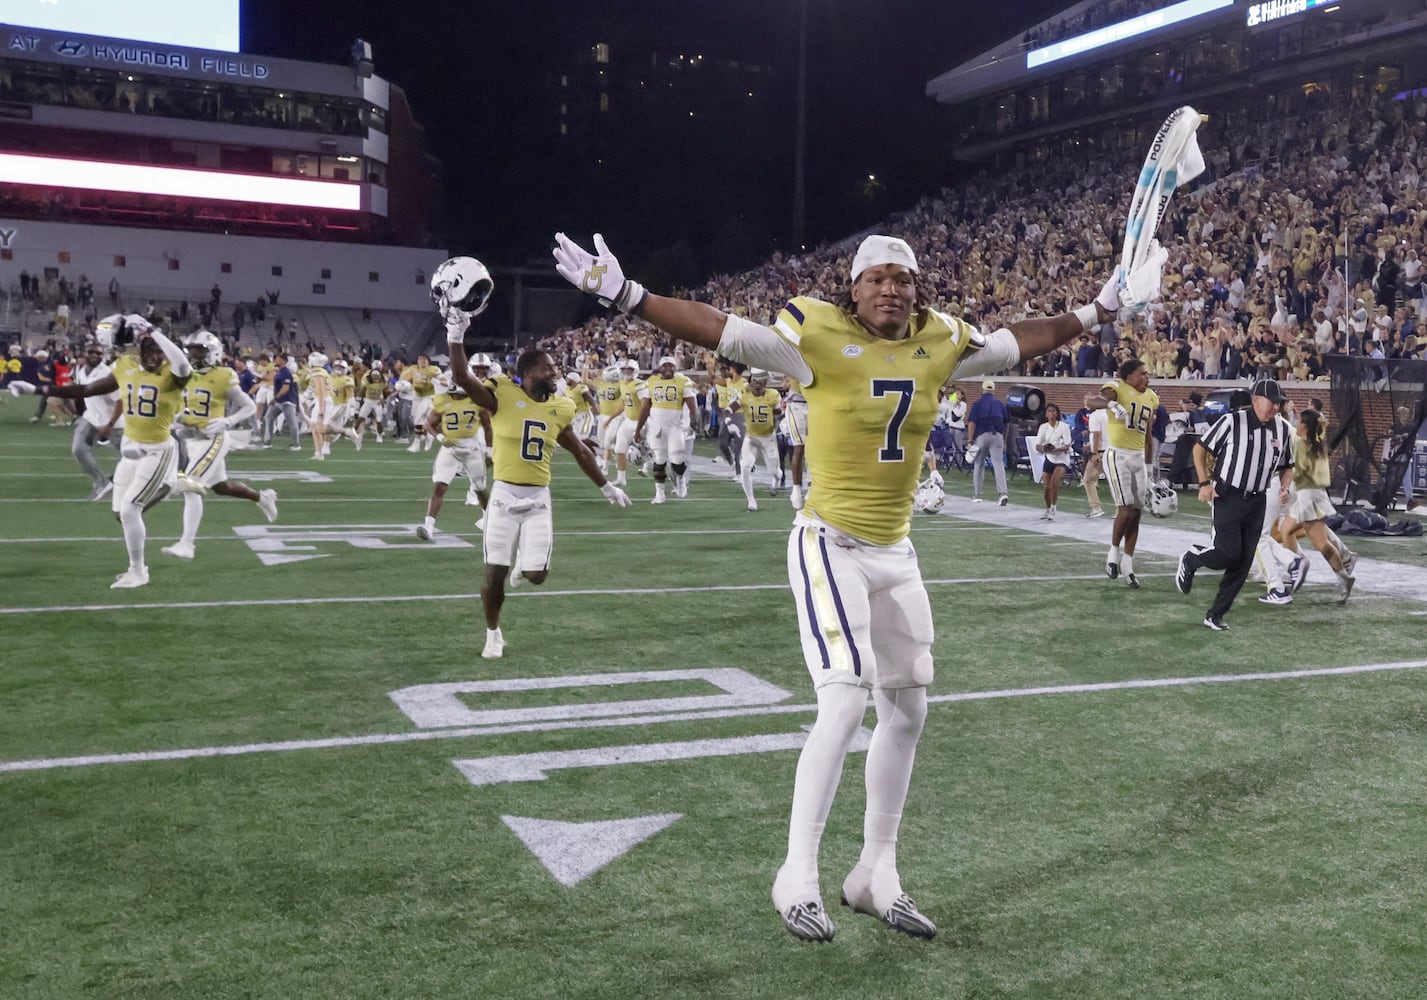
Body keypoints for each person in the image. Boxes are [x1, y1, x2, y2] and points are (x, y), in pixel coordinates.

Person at [553, 230, 1134, 942]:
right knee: (844, 698)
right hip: (829, 540)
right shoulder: (812, 333)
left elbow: (1020, 341)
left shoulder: (942, 337)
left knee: (909, 707)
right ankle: (795, 872)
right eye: (877, 277)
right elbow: (719, 330)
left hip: (896, 549)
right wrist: (626, 295)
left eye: (904, 278)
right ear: (852, 288)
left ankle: (873, 873)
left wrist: (1099, 309)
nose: (892, 288)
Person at [435, 257, 632, 659]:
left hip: (539, 499)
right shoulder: (502, 394)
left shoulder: (560, 406)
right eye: (548, 367)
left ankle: (529, 565)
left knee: (537, 576)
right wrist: (455, 334)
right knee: (494, 573)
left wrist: (606, 486)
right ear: (529, 372)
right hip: (505, 496)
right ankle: (493, 634)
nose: (555, 372)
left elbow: (577, 449)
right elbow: (462, 378)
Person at [37, 318, 194, 587]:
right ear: (140, 353)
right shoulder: (126, 366)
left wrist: (152, 330)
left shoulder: (173, 375)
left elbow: (182, 363)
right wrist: (38, 389)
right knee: (120, 514)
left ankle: (138, 571)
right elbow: (85, 389)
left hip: (158, 450)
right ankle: (170, 485)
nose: (155, 356)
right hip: (131, 449)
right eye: (150, 351)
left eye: (160, 352)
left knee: (132, 510)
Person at [1174, 379, 1296, 630]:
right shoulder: (1233, 422)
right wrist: (1204, 483)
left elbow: (1287, 466)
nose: (1276, 408)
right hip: (1227, 495)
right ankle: (1192, 558)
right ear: (1256, 401)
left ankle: (1215, 615)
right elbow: (1200, 449)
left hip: (1258, 499)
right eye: (1272, 403)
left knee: (1243, 563)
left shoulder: (1283, 430)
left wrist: (1283, 487)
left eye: (1279, 403)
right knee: (1227, 553)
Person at [163, 331, 278, 560]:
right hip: (190, 438)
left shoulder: (224, 375)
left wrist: (228, 420)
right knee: (221, 487)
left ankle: (187, 544)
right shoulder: (184, 374)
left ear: (213, 352)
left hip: (212, 436)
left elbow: (248, 406)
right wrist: (176, 420)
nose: (194, 355)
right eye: (192, 350)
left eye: (199, 350)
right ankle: (262, 497)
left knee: (191, 484)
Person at [1276, 408, 1355, 602]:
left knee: (1320, 543)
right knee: (1288, 531)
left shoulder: (1300, 442)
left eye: (1299, 421)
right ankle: (1300, 564)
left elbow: (1293, 464)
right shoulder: (1318, 441)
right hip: (1314, 493)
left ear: (1304, 426)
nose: (1296, 423)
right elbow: (1322, 424)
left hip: (1307, 495)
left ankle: (1340, 576)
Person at [1096, 358, 1159, 588]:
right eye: (1141, 374)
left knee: (1136, 511)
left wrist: (1150, 468)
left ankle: (1128, 564)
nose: (1146, 377)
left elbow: (1148, 434)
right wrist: (1111, 405)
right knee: (1124, 507)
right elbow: (1092, 400)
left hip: (1138, 457)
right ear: (1129, 375)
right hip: (1118, 454)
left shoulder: (1151, 397)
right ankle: (1112, 555)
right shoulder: (1117, 388)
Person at [416, 367, 492, 541]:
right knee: (439, 486)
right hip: (450, 449)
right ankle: (429, 526)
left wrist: (489, 451)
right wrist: (441, 437)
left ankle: (490, 520)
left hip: (472, 448)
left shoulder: (477, 401)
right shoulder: (442, 400)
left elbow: (488, 426)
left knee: (480, 488)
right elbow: (429, 424)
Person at [633, 355, 699, 503]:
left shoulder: (683, 381)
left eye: (671, 365)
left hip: (676, 427)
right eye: (665, 365)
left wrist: (695, 420)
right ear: (660, 368)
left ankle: (681, 481)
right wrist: (639, 429)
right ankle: (659, 493)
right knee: (659, 460)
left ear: (675, 367)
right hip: (657, 427)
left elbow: (691, 402)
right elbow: (645, 407)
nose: (668, 368)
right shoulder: (651, 382)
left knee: (677, 460)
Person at [71, 344, 123, 501]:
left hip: (114, 422)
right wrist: (79, 413)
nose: (94, 355)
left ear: (102, 356)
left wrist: (110, 425)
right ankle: (101, 482)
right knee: (78, 449)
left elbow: (121, 402)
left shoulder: (107, 375)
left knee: (131, 456)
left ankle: (119, 481)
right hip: (91, 418)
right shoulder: (81, 371)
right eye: (91, 352)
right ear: (84, 353)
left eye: (98, 353)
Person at [729, 368, 783, 511]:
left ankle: (777, 479)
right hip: (751, 437)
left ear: (765, 383)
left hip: (768, 438)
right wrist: (729, 422)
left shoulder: (773, 395)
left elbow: (779, 413)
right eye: (754, 383)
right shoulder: (744, 394)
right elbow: (729, 409)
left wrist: (778, 426)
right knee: (745, 467)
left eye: (760, 383)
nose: (757, 387)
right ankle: (751, 501)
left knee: (774, 471)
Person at [965, 380, 1008, 505]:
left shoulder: (977, 404)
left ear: (982, 389)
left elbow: (972, 423)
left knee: (979, 464)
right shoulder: (1000, 404)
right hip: (998, 434)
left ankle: (978, 494)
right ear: (993, 390)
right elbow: (1006, 423)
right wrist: (1004, 440)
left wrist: (970, 440)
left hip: (982, 435)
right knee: (998, 464)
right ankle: (1003, 493)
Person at [1035, 403, 1072, 520]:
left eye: (1054, 411)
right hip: (1049, 458)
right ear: (1046, 414)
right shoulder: (1043, 427)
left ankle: (1053, 507)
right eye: (1049, 411)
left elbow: (1067, 445)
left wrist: (1057, 449)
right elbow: (1038, 445)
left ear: (1057, 413)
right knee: (1046, 487)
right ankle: (1047, 508)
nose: (1051, 413)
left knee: (1054, 482)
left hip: (1061, 458)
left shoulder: (1064, 427)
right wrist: (1044, 448)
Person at [261, 354, 301, 450]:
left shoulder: (286, 373)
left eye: (277, 359)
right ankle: (267, 442)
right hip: (279, 401)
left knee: (292, 423)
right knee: (268, 417)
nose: (275, 360)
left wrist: (275, 398)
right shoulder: (279, 372)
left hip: (287, 401)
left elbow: (285, 388)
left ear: (283, 361)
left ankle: (296, 444)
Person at [1081, 393, 1108, 518]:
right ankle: (1120, 510)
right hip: (1113, 451)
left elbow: (1097, 434)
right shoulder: (1110, 414)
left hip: (1101, 452)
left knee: (1088, 480)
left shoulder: (1095, 415)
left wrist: (1095, 453)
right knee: (1115, 483)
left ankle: (1096, 508)